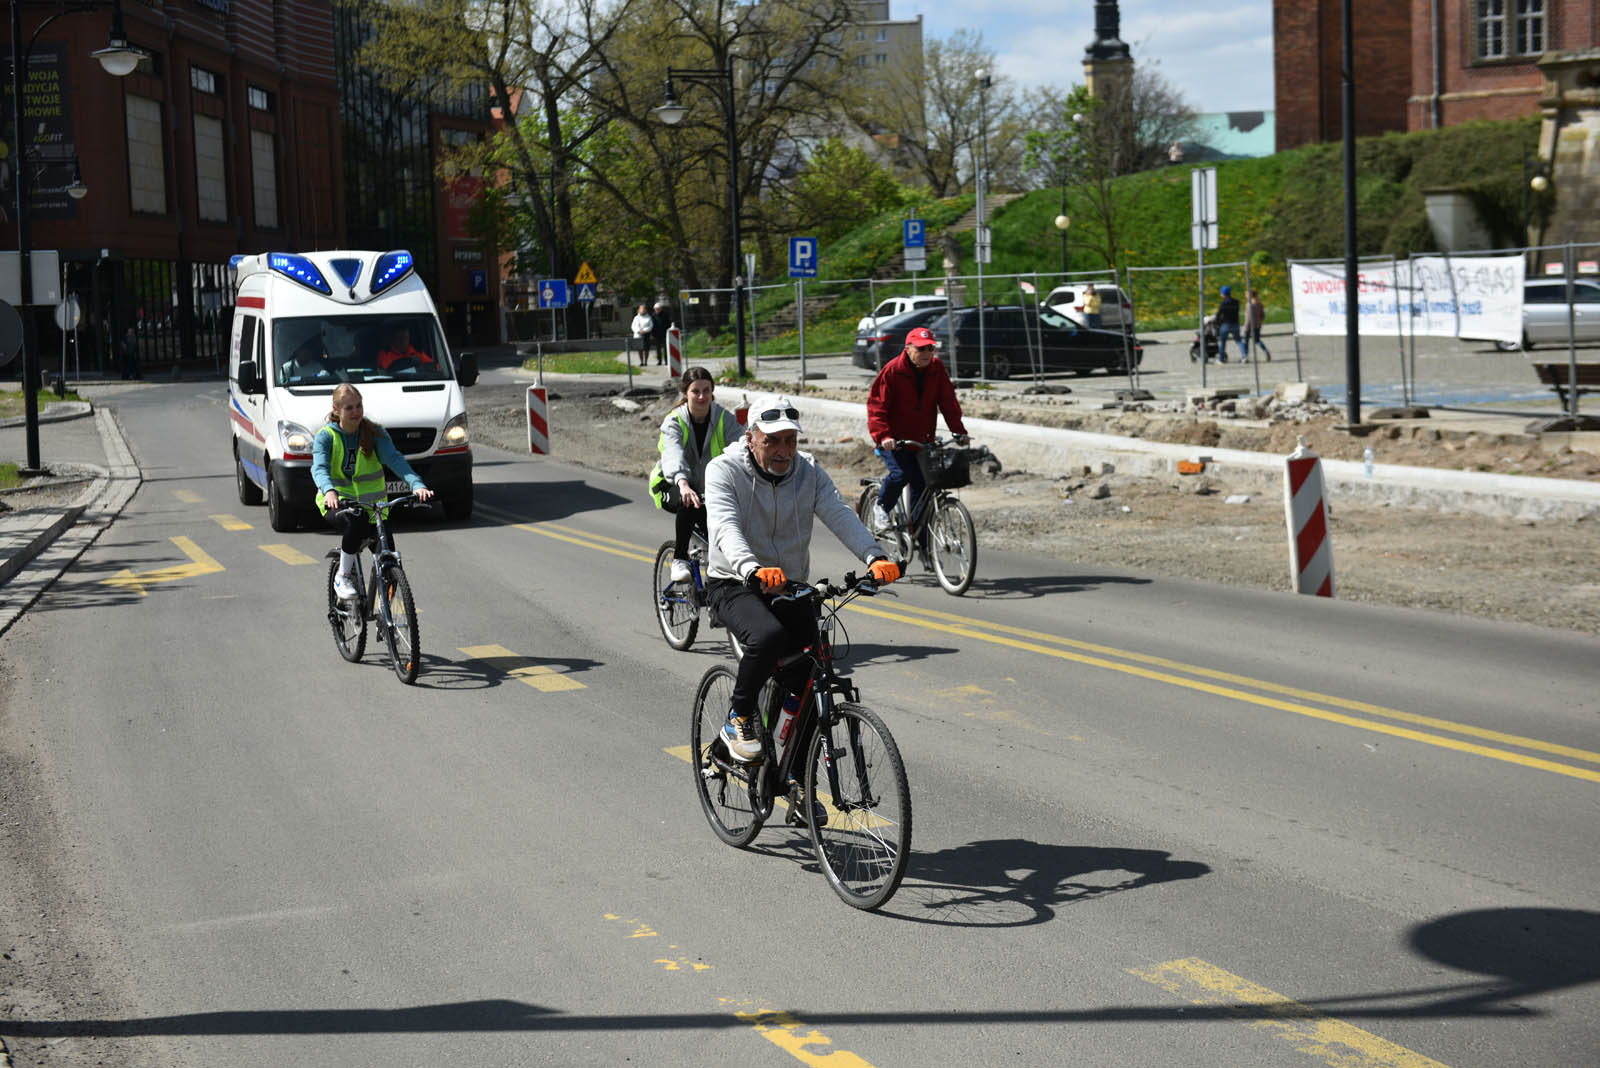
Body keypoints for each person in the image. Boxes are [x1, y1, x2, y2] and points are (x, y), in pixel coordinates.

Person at [704, 400, 901, 772]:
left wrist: (874, 557)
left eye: (790, 441)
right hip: (733, 581)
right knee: (767, 637)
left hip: (789, 584)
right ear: (751, 438)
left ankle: (796, 782)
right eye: (772, 441)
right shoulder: (723, 470)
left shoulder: (807, 471)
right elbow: (725, 529)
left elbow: (838, 513)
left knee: (813, 673)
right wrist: (751, 569)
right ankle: (739, 718)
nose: (783, 451)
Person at [312, 383, 434, 600]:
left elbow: (395, 460)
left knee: (390, 564)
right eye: (349, 408)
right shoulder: (326, 436)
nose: (356, 412)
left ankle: (384, 622)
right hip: (338, 503)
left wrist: (417, 484)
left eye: (359, 406)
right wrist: (329, 491)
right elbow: (319, 468)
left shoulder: (374, 433)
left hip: (375, 509)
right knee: (356, 521)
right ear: (336, 409)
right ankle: (343, 576)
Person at [864, 326, 968, 535]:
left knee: (924, 486)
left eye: (930, 348)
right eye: (921, 349)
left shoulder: (937, 369)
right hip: (893, 440)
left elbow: (948, 402)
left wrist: (959, 431)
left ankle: (917, 536)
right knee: (901, 474)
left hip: (921, 439)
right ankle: (881, 507)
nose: (927, 354)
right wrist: (884, 436)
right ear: (908, 348)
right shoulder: (893, 371)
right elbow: (877, 407)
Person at [657, 366, 743, 582]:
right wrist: (683, 483)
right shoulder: (674, 421)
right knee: (690, 501)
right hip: (672, 484)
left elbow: (742, 451)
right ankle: (679, 558)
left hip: (709, 490)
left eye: (707, 390)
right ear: (685, 393)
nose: (702, 396)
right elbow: (673, 454)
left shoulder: (724, 418)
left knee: (720, 532)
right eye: (696, 391)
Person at [1213, 285, 1247, 364]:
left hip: (1226, 324)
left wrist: (1217, 322)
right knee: (1238, 340)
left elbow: (1219, 314)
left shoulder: (1223, 303)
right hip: (1235, 323)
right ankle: (1245, 356)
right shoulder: (1236, 302)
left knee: (1223, 342)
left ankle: (1221, 359)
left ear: (1223, 294)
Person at [1245, 290, 1272, 362]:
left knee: (1246, 341)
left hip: (1249, 326)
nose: (1245, 296)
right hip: (1257, 325)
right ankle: (1265, 350)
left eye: (1246, 295)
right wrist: (1259, 322)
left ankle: (1245, 356)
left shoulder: (1249, 304)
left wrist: (1246, 327)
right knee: (1257, 340)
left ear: (1250, 295)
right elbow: (1263, 315)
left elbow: (1248, 317)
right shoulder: (1259, 304)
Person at [651, 301, 671, 367]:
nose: (657, 310)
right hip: (656, 335)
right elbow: (652, 326)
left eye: (658, 308)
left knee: (666, 348)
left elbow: (668, 324)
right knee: (658, 349)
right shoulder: (653, 316)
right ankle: (659, 361)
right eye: (656, 309)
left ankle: (666, 361)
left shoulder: (665, 315)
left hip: (665, 334)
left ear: (661, 308)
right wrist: (652, 334)